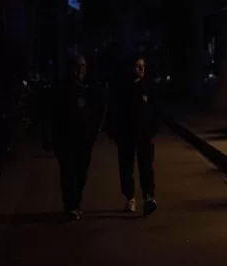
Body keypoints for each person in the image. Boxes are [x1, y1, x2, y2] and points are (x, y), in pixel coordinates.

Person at [107, 56, 159, 216]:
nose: (141, 69)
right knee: (126, 169)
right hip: (126, 136)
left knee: (146, 167)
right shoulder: (122, 89)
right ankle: (130, 197)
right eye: (137, 66)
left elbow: (155, 110)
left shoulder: (148, 87)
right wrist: (116, 134)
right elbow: (113, 112)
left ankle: (148, 197)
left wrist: (152, 130)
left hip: (144, 136)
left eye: (143, 65)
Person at [52, 55, 103, 219]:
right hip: (67, 140)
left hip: (84, 140)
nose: (81, 70)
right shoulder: (63, 88)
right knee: (69, 173)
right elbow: (54, 114)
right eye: (78, 66)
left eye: (83, 66)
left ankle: (76, 203)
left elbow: (97, 110)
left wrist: (94, 131)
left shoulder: (89, 88)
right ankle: (70, 206)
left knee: (81, 173)